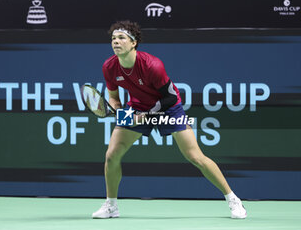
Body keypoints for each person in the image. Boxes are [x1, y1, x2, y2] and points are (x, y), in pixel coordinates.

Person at [92, 20, 247, 219]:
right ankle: (111, 206)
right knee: (112, 155)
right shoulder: (110, 67)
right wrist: (120, 111)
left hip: (169, 109)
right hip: (137, 107)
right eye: (113, 38)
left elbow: (170, 97)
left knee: (195, 156)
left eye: (121, 38)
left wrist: (146, 117)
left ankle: (233, 199)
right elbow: (113, 97)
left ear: (134, 43)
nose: (116, 42)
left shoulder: (152, 65)